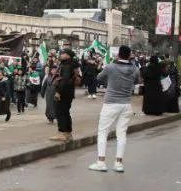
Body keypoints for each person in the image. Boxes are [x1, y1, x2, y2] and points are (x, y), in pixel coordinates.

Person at [88, 45, 142, 173]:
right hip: (126, 104)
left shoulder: (111, 67)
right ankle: (119, 163)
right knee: (121, 134)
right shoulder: (134, 69)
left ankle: (101, 162)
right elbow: (137, 81)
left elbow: (99, 78)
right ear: (129, 55)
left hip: (111, 103)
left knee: (103, 132)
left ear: (118, 54)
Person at [50, 48, 80, 143]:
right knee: (66, 112)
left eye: (63, 53)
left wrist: (58, 91)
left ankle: (62, 133)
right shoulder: (72, 64)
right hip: (69, 92)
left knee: (60, 112)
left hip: (64, 92)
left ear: (68, 55)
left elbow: (64, 80)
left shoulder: (67, 65)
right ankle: (68, 133)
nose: (61, 55)